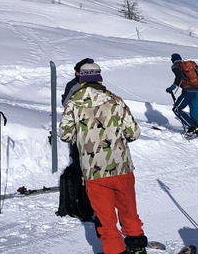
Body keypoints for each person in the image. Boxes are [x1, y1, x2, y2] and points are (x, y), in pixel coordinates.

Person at [60, 61, 149, 254]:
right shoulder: (115, 100)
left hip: (94, 172)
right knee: (129, 213)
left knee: (106, 221)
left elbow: (65, 135)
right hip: (122, 167)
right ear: (99, 78)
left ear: (81, 80)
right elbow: (133, 132)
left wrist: (83, 137)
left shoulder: (73, 104)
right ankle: (138, 250)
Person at [165, 53, 198, 138]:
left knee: (177, 109)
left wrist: (171, 88)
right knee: (195, 116)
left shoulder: (176, 66)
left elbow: (178, 77)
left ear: (173, 60)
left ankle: (192, 127)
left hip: (188, 92)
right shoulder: (189, 66)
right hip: (196, 92)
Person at [62, 58, 92, 163]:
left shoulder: (73, 85)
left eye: (77, 71)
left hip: (78, 125)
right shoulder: (97, 84)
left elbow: (65, 103)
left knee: (77, 155)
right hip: (95, 125)